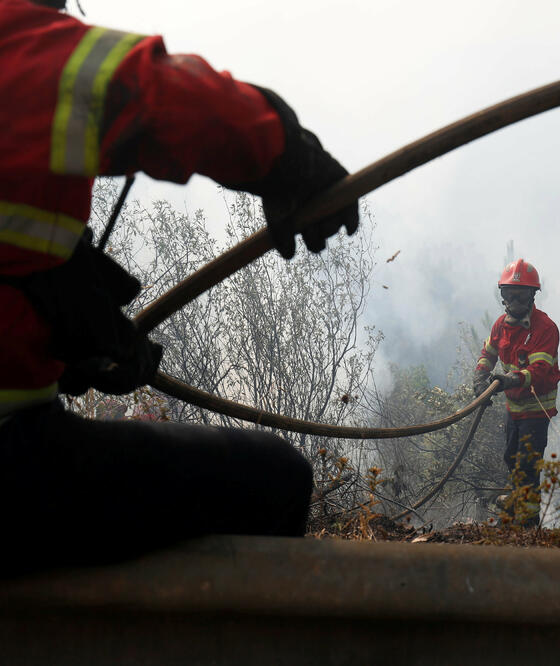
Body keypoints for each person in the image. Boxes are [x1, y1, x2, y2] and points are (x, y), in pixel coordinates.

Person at [0, 0, 359, 571]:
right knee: (277, 479)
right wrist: (289, 154)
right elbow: (160, 96)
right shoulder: (14, 41)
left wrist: (54, 329)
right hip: (12, 466)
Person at [473, 259, 560, 526]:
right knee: (511, 457)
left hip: (536, 409)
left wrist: (510, 380)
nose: (515, 301)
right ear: (503, 296)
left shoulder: (545, 328)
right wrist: (480, 377)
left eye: (521, 295)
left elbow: (540, 369)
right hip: (514, 408)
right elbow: (488, 353)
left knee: (528, 465)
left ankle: (526, 520)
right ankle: (518, 503)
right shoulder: (500, 325)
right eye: (510, 295)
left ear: (532, 296)